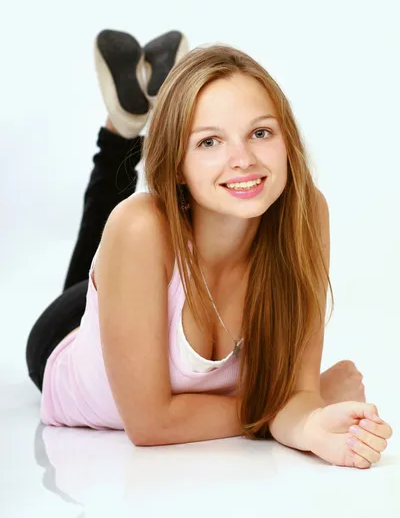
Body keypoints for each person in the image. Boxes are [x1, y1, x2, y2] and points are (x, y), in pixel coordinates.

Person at [25, 30, 392, 468]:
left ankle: (154, 118)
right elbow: (151, 425)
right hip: (65, 335)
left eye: (260, 132)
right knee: (119, 234)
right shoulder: (139, 230)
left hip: (155, 269)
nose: (244, 159)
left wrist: (311, 423)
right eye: (209, 141)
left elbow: (296, 396)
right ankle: (123, 131)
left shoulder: (305, 213)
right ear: (177, 165)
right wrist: (289, 407)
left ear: (287, 140)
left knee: (127, 238)